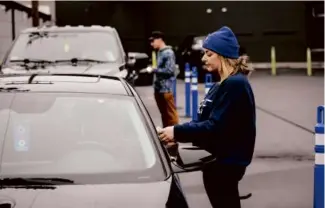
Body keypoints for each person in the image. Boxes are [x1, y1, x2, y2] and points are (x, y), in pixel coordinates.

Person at [158, 26, 256, 208]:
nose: (203, 58)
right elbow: (201, 123)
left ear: (223, 55)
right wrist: (171, 133)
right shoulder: (220, 85)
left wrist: (177, 132)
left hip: (224, 165)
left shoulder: (235, 84)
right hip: (214, 163)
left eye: (209, 54)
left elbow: (215, 126)